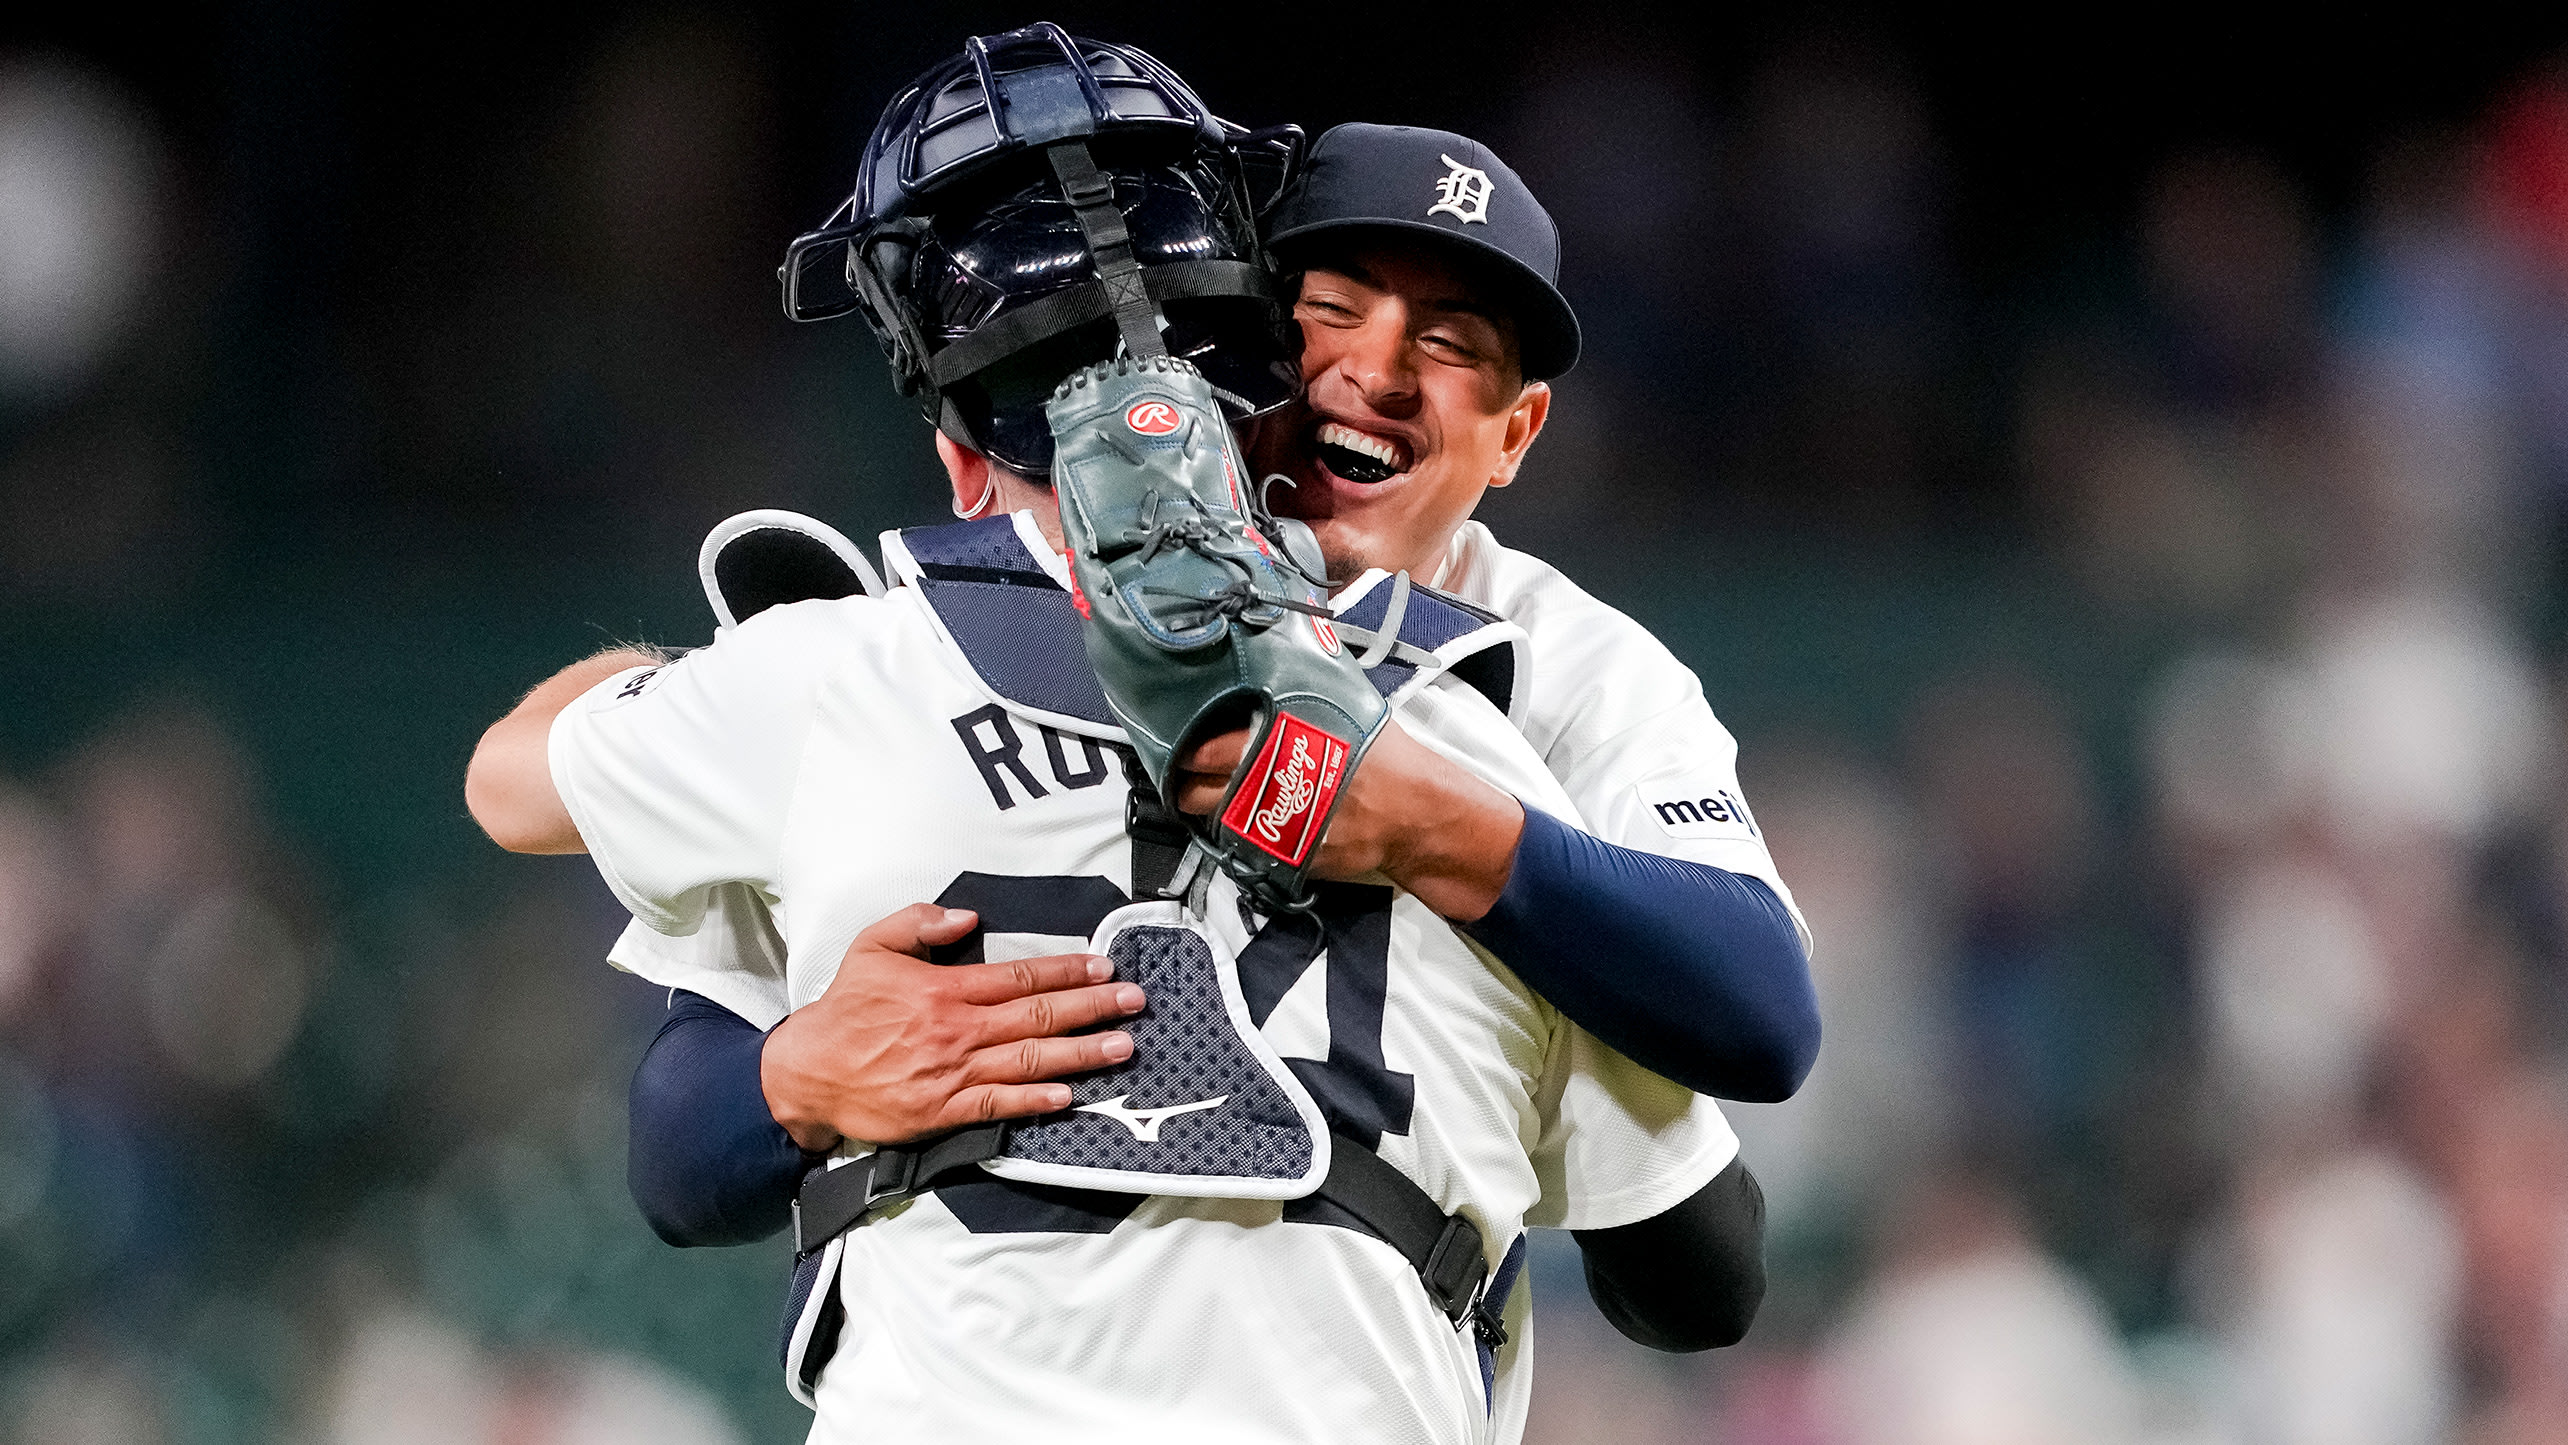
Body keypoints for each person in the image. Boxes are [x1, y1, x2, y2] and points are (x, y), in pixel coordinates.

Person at [470, 25, 1802, 1440]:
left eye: (1452, 345)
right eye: (1333, 312)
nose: (1378, 374)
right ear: (1241, 342)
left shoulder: (844, 671)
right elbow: (1693, 1265)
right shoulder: (1474, 740)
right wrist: (794, 1074)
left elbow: (515, 789)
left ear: (962, 459)